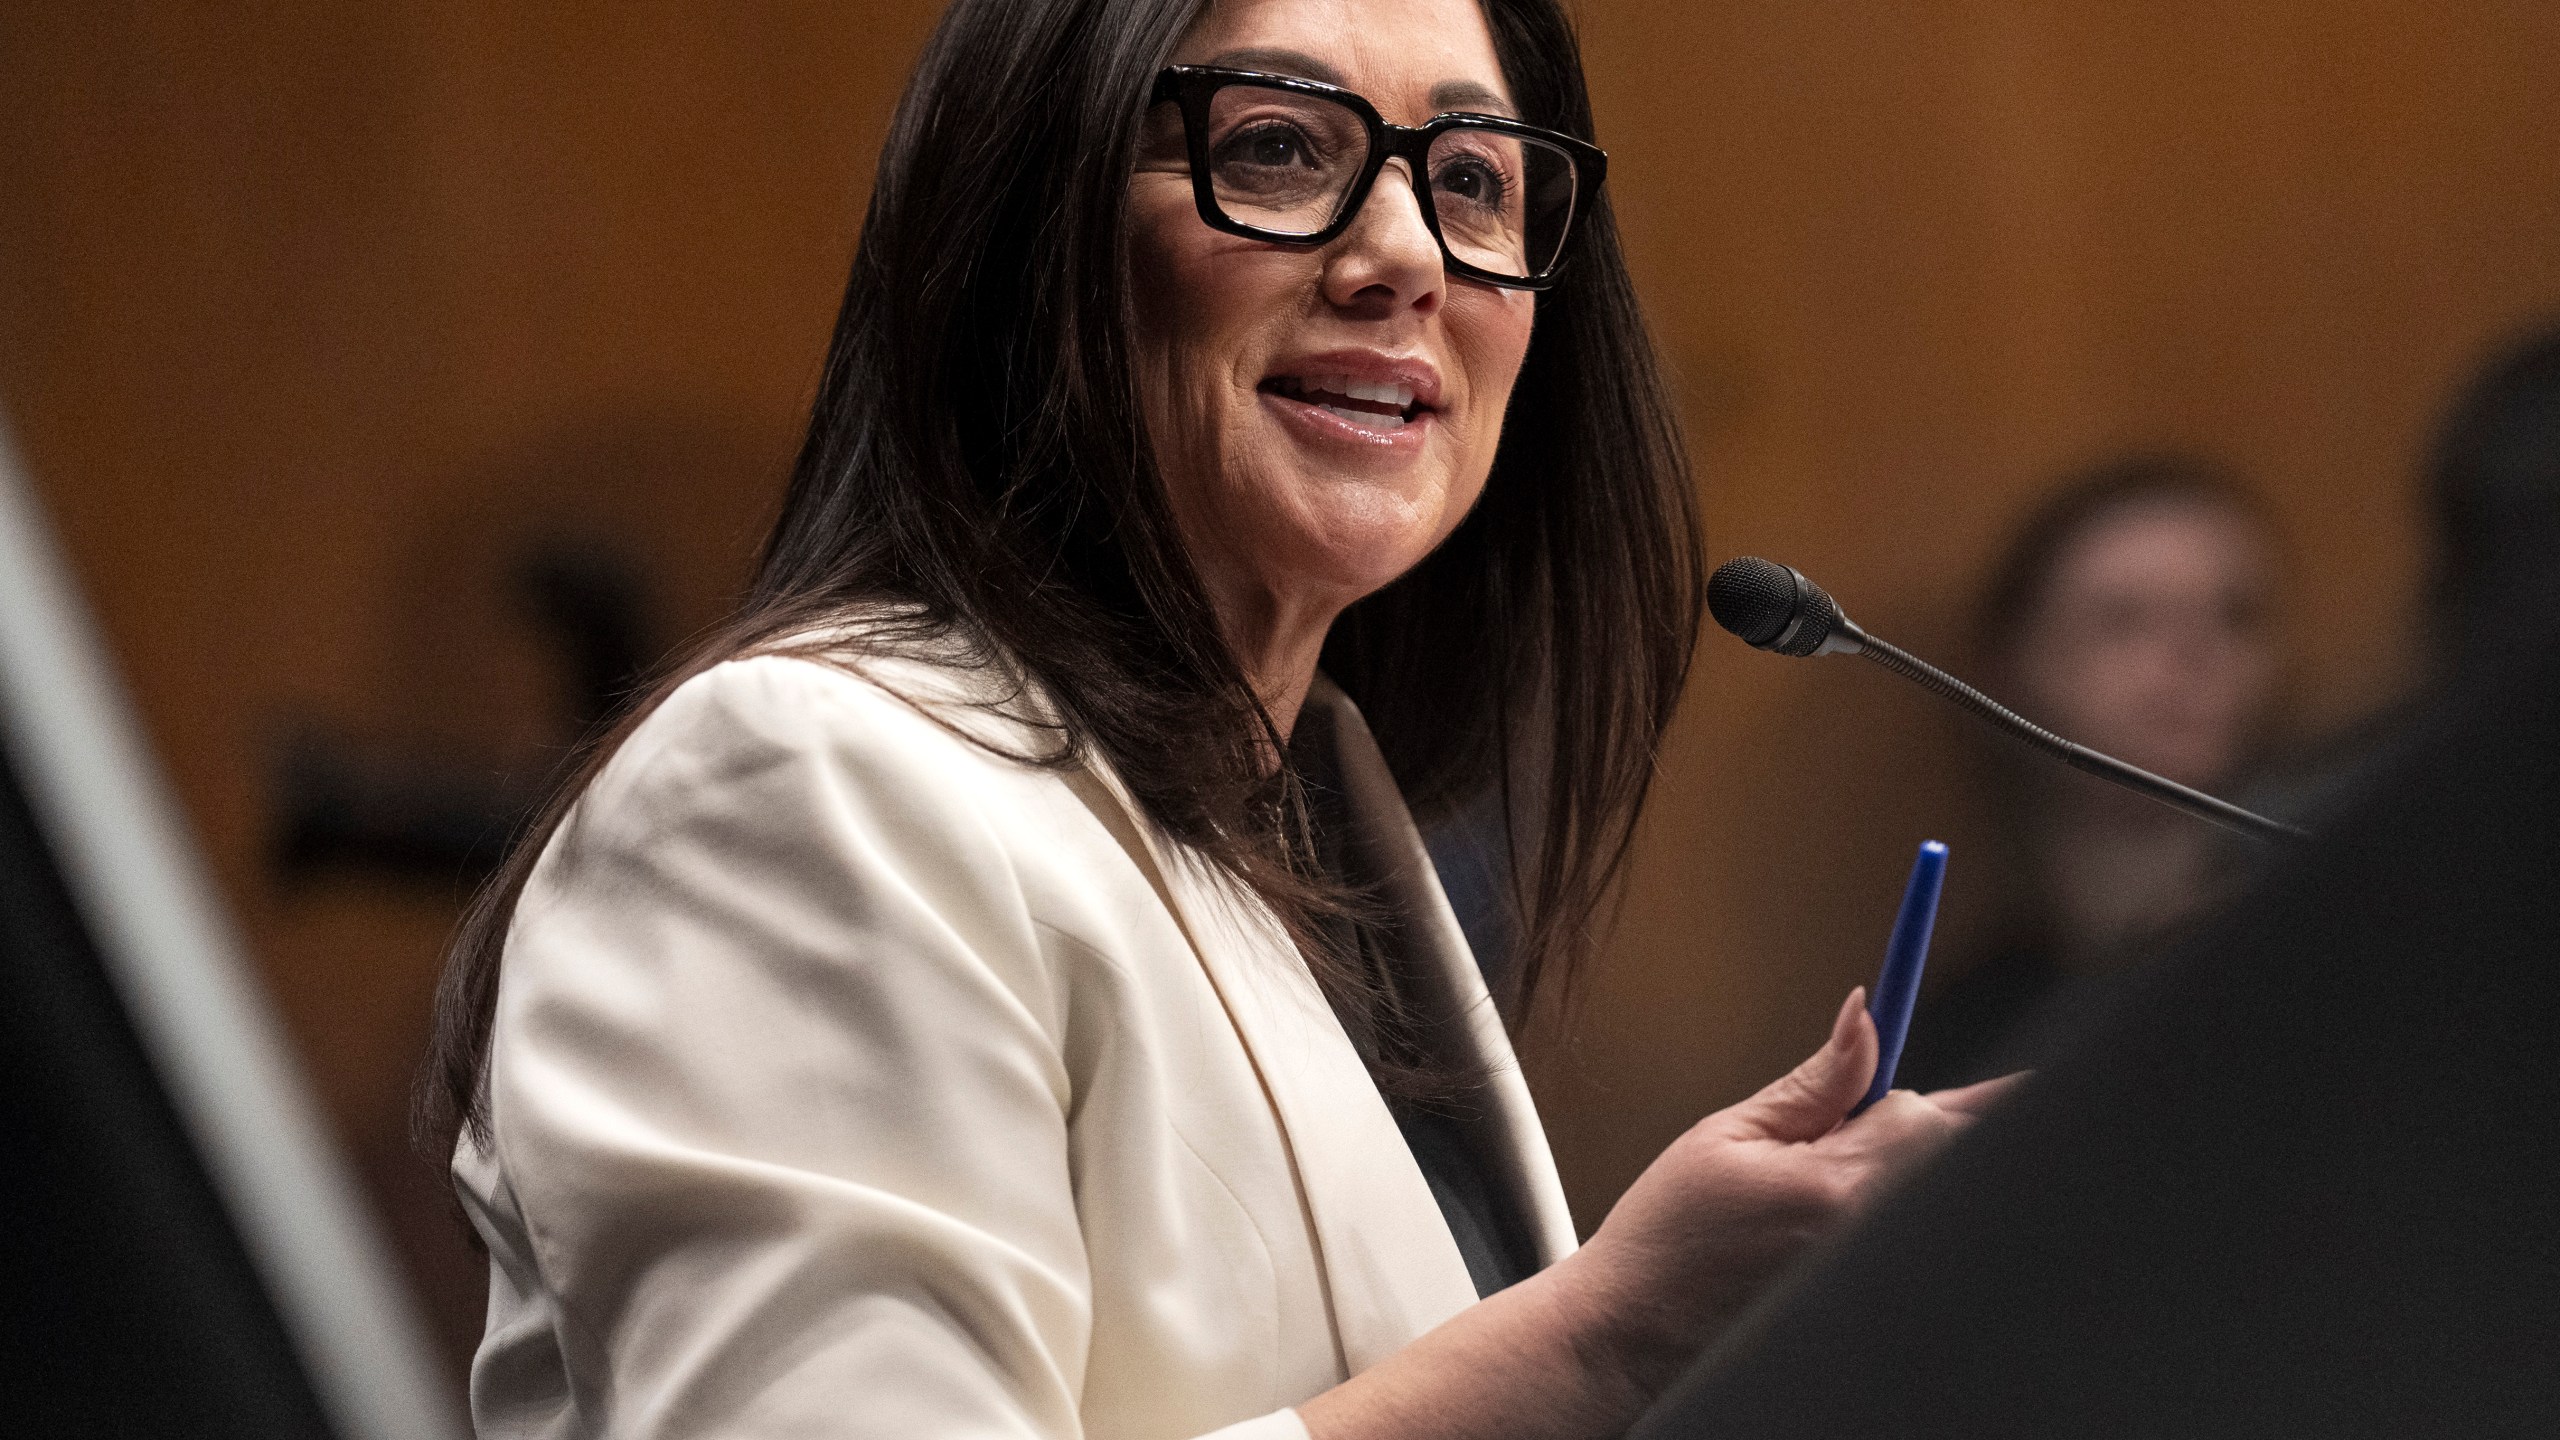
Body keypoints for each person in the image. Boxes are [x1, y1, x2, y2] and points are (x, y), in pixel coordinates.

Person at [416, 2, 2005, 1436]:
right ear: (1032, 237)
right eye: (1277, 147)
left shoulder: (1319, 825)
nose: (1406, 255)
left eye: (1472, 181)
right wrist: (1601, 1339)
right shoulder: (802, 787)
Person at [1897, 455, 2283, 1091]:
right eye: (2123, 620)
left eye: (2234, 613)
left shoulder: (2336, 958)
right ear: (2010, 667)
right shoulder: (1965, 1033)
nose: (2194, 651)